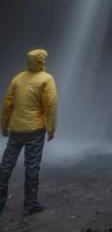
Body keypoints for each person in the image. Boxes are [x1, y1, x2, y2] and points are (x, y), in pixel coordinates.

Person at [0, 49, 57, 216]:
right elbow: (50, 105)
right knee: (32, 166)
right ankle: (30, 204)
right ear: (42, 60)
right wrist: (51, 128)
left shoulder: (18, 78)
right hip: (35, 130)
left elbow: (7, 104)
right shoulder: (47, 79)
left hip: (16, 129)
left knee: (6, 165)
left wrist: (4, 125)